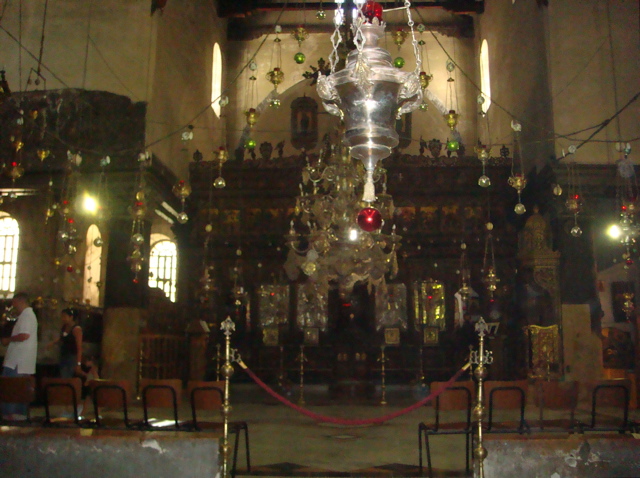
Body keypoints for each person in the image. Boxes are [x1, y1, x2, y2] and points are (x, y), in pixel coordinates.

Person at [1, 292, 38, 419]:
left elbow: (24, 335)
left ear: (19, 301)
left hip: (17, 362)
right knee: (19, 390)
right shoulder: (25, 315)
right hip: (19, 361)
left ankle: (10, 417)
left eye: (14, 302)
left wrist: (8, 340)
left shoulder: (27, 315)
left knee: (12, 389)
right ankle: (16, 416)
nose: (13, 305)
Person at [48, 309, 82, 378]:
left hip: (72, 357)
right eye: (62, 316)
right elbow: (63, 337)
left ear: (71, 317)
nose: (62, 318)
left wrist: (78, 364)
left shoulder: (76, 329)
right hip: (63, 356)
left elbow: (79, 347)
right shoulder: (64, 327)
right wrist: (53, 343)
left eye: (64, 316)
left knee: (67, 377)